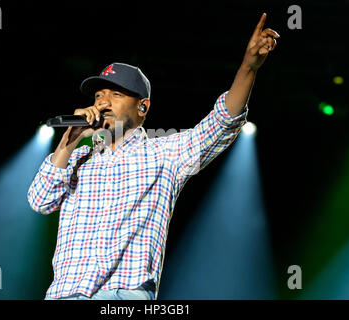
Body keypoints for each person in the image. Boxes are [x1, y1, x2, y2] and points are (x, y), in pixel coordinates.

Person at [28, 13, 279, 300]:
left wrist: (249, 66)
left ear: (142, 107)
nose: (103, 102)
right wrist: (68, 143)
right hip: (64, 293)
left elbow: (222, 122)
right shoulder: (77, 159)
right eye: (98, 96)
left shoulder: (165, 153)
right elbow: (40, 200)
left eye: (116, 95)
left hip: (122, 294)